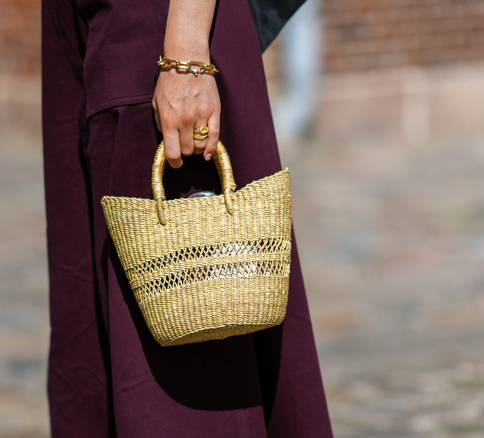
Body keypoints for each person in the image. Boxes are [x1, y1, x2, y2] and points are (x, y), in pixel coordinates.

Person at [41, 0, 333, 436]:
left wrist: (186, 55)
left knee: (193, 347)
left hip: (162, 37)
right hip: (91, 31)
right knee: (89, 311)